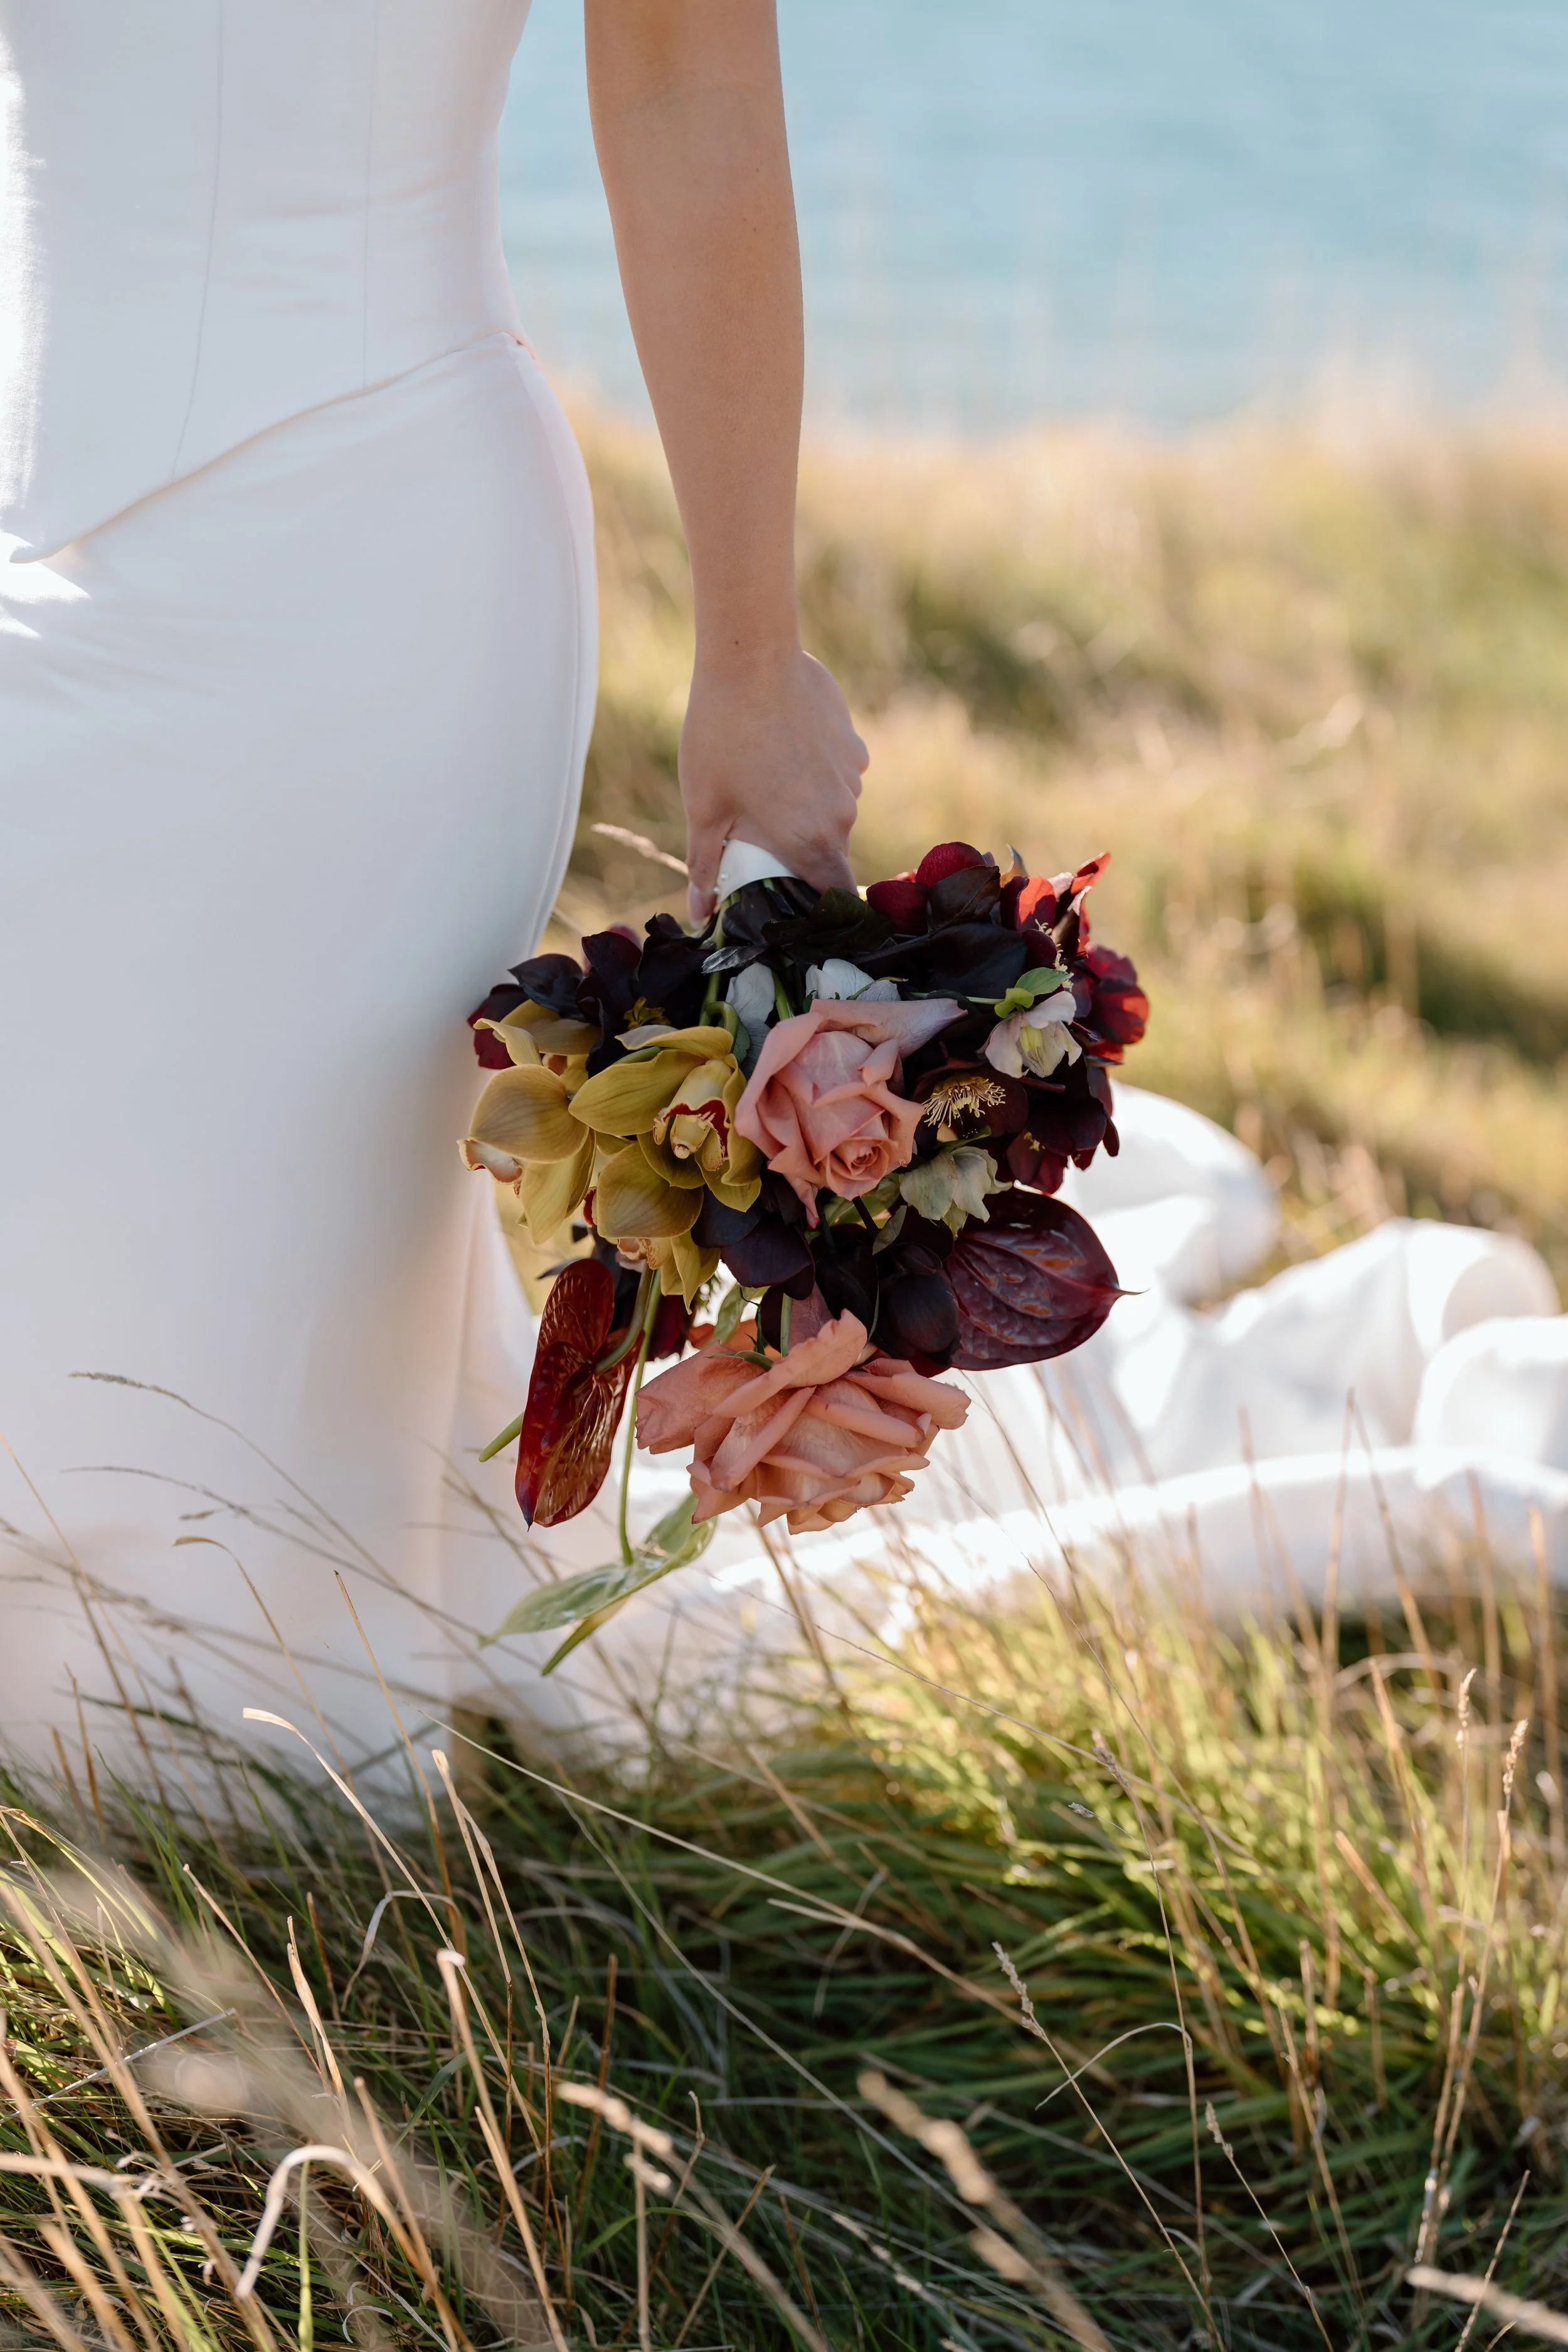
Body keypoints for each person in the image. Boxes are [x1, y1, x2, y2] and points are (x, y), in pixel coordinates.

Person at [0, 0, 864, 1767]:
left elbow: (689, 71)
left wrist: (750, 656)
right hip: (25, 551)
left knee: (210, 1632)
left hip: (365, 565)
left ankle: (270, 1877)